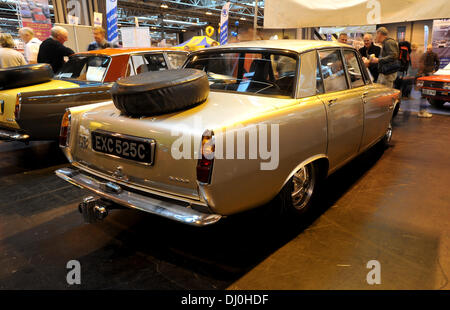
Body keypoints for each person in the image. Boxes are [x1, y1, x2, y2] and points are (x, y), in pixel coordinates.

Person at [417, 44, 440, 118]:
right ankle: (422, 111)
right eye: (427, 48)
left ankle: (423, 110)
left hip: (430, 72)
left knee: (427, 90)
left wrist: (435, 70)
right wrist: (420, 71)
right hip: (424, 73)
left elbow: (438, 62)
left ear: (432, 49)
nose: (428, 49)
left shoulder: (434, 54)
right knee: (424, 90)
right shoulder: (424, 54)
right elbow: (420, 62)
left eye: (429, 48)